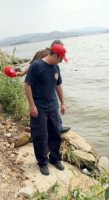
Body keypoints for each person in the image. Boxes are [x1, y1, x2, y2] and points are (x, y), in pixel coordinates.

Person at [24, 44, 68, 175]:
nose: (61, 61)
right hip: (39, 107)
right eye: (61, 59)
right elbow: (27, 85)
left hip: (52, 106)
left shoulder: (56, 67)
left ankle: (55, 159)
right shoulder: (36, 66)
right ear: (55, 55)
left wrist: (63, 103)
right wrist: (32, 105)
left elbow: (58, 86)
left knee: (55, 133)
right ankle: (42, 162)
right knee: (40, 135)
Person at [17, 40, 71, 134]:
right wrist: (22, 73)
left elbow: (58, 84)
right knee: (41, 125)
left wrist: (63, 102)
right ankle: (53, 128)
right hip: (40, 95)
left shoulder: (55, 65)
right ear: (53, 47)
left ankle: (58, 126)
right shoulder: (42, 55)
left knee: (54, 107)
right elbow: (32, 67)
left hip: (50, 89)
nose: (61, 61)